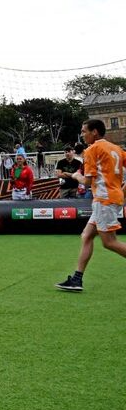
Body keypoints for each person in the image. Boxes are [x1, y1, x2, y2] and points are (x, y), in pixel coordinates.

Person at [56, 120, 126, 292]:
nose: (82, 134)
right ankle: (77, 279)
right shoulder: (116, 149)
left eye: (84, 131)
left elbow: (87, 182)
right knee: (86, 236)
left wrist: (74, 176)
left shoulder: (92, 150)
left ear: (94, 132)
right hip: (109, 199)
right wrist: (122, 191)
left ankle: (77, 279)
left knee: (109, 242)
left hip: (104, 200)